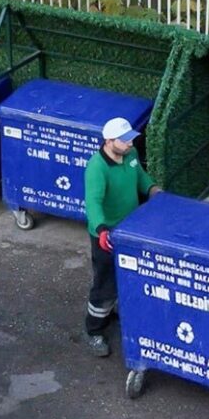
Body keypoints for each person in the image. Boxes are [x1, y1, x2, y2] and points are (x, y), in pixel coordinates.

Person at [82, 116, 161, 357]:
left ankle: (112, 311)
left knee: (128, 275)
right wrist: (102, 229)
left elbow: (140, 177)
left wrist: (152, 189)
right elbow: (93, 203)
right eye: (124, 140)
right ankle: (94, 330)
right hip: (107, 235)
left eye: (130, 139)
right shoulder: (97, 167)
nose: (129, 144)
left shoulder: (131, 155)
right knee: (106, 285)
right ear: (109, 141)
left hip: (131, 228)